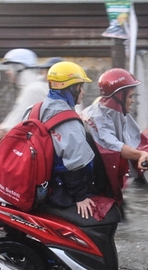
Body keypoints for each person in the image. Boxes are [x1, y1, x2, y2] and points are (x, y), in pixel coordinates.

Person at [27, 61, 96, 218]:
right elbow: (75, 164)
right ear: (71, 88)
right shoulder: (69, 121)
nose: (83, 92)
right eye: (80, 86)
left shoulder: (35, 109)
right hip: (58, 193)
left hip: (37, 184)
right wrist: (80, 197)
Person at [0, 49, 48, 147]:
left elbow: (13, 125)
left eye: (10, 68)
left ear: (19, 68)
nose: (7, 72)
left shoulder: (32, 90)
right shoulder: (34, 87)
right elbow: (16, 118)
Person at [80, 68, 148, 172]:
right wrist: (140, 154)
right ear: (119, 96)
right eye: (130, 96)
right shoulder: (96, 116)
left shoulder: (115, 112)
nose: (133, 100)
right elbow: (111, 143)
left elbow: (134, 138)